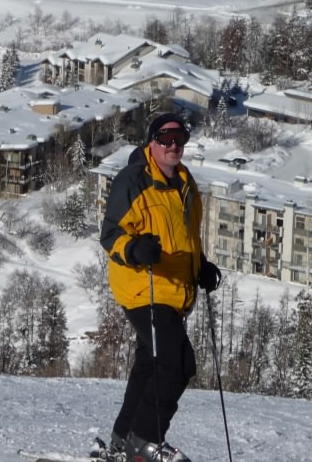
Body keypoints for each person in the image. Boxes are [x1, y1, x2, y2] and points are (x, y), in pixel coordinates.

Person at [99, 112, 222, 462]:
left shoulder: (185, 183)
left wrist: (200, 266)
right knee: (177, 363)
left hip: (174, 289)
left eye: (179, 139)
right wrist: (135, 248)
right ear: (151, 142)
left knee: (151, 365)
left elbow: (185, 236)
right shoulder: (134, 179)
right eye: (166, 139)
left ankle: (122, 440)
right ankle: (144, 442)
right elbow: (111, 234)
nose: (173, 146)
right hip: (143, 286)